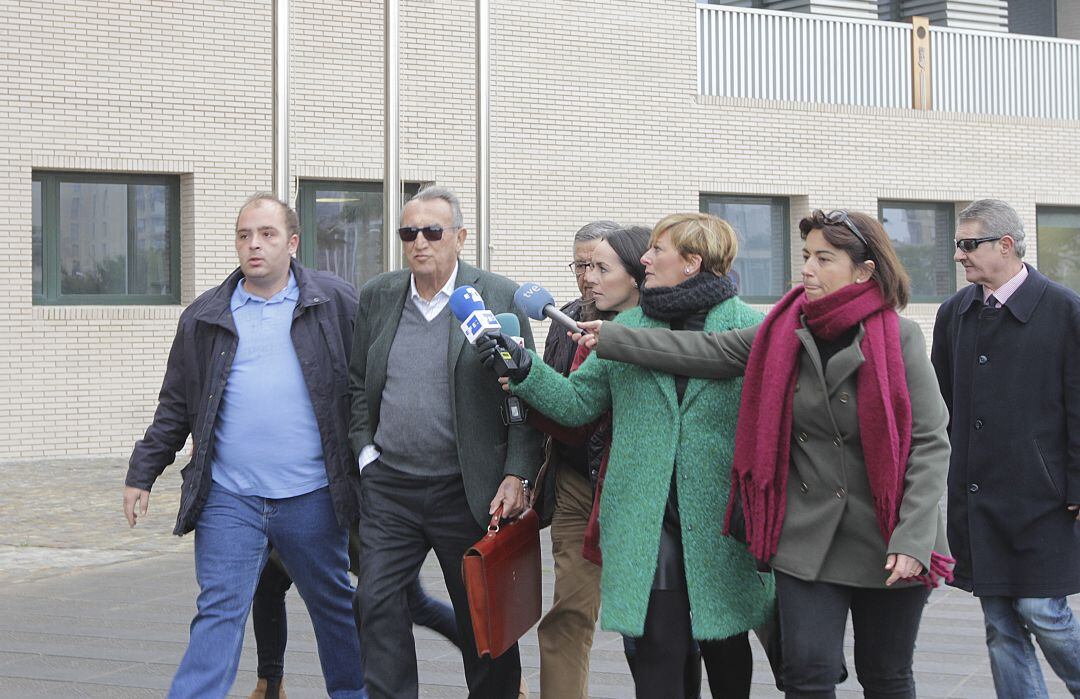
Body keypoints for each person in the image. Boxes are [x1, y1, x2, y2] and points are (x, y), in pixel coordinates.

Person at [583, 209, 954, 698]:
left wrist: (912, 537)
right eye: (805, 257)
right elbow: (706, 353)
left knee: (885, 675)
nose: (806, 270)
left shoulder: (900, 337)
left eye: (824, 259)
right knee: (807, 674)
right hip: (807, 538)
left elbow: (930, 441)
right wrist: (611, 337)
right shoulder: (782, 331)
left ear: (863, 270)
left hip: (887, 534)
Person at [483, 213, 775, 699]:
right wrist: (525, 369)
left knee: (724, 643)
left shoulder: (749, 327)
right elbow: (578, 404)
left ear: (692, 262)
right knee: (659, 645)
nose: (644, 258)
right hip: (646, 514)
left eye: (657, 250)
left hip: (722, 516)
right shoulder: (628, 327)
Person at [123, 194, 364, 699]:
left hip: (313, 496)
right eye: (244, 235)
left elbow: (365, 387)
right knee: (218, 610)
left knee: (336, 609)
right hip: (230, 498)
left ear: (293, 242)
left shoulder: (335, 302)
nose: (254, 245)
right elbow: (176, 404)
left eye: (267, 234)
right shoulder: (205, 316)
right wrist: (143, 471)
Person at [347, 185, 542, 699]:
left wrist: (517, 473)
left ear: (459, 236)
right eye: (408, 233)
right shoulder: (379, 295)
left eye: (432, 232)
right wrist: (366, 450)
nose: (419, 243)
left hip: (469, 487)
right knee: (376, 601)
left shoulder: (495, 297)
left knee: (483, 616)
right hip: (391, 487)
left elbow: (524, 395)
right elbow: (355, 382)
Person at [931, 199, 1080, 698]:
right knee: (999, 627)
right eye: (958, 245)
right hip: (979, 498)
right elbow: (946, 402)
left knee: (1044, 612)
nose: (959, 256)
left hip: (1044, 498)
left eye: (968, 245)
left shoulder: (1064, 310)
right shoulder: (955, 313)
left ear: (1006, 245)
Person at [533, 219, 617, 699]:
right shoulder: (561, 320)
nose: (588, 276)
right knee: (568, 613)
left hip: (630, 487)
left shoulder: (645, 322)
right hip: (575, 486)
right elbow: (554, 402)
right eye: (580, 264)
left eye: (599, 265)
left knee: (656, 624)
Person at [247, 535, 461, 699]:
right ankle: (269, 686)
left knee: (415, 604)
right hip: (313, 500)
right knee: (270, 581)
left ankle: (486, 658)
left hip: (359, 507)